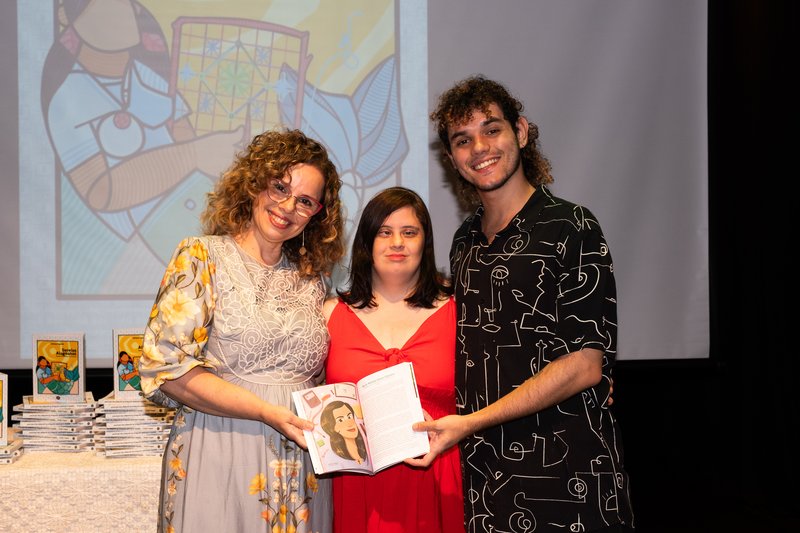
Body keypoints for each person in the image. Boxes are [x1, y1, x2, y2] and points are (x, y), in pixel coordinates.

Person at [409, 76, 635, 532]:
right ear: (452, 157)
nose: (479, 148)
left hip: (568, 479)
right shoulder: (464, 241)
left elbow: (586, 365)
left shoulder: (572, 226)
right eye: (463, 139)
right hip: (486, 482)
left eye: (492, 129)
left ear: (522, 131)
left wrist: (472, 422)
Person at [138, 129, 345, 533]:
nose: (288, 206)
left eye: (305, 201)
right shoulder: (201, 257)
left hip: (301, 466)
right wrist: (265, 411)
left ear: (316, 214)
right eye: (280, 187)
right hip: (219, 449)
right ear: (254, 183)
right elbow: (166, 369)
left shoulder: (314, 280)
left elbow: (323, 378)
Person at [323, 186, 464, 533]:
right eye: (384, 232)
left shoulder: (460, 311)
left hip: (438, 479)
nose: (397, 242)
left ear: (425, 242)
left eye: (409, 232)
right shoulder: (329, 314)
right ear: (366, 243)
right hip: (355, 486)